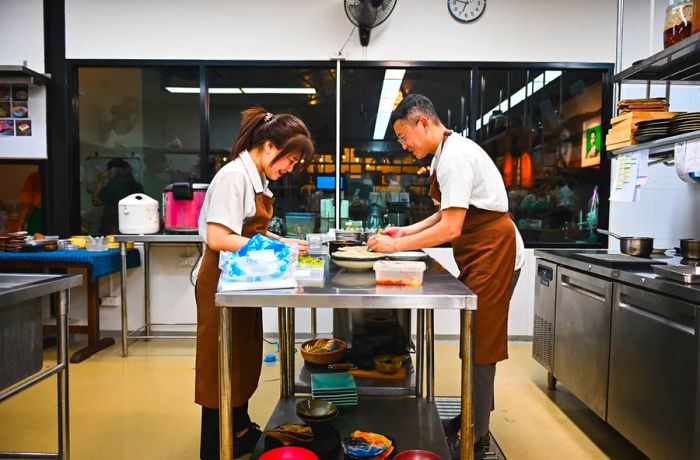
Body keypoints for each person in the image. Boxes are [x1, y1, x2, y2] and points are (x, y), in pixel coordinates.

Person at [368, 94, 524, 457]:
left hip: (495, 252)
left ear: (424, 122)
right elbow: (444, 215)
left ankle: (477, 435)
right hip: (481, 252)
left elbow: (451, 227)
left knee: (481, 343)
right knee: (475, 339)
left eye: (405, 136)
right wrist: (404, 233)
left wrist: (394, 249)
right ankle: (472, 416)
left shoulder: (456, 158)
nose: (404, 145)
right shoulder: (444, 153)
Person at [195, 107, 312, 460]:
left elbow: (248, 231)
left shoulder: (255, 178)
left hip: (242, 281)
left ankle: (241, 431)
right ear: (268, 146)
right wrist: (270, 246)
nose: (290, 169)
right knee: (221, 365)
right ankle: (214, 448)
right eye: (290, 160)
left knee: (243, 358)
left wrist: (279, 243)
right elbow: (218, 237)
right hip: (221, 281)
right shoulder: (234, 176)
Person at [92, 158, 144, 234]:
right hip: (133, 227)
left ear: (113, 170)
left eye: (108, 171)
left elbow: (96, 201)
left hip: (113, 227)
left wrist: (100, 180)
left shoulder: (114, 185)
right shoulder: (137, 186)